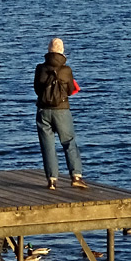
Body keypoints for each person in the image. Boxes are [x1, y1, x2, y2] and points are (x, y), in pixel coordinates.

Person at [33, 37, 87, 190]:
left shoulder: (40, 68)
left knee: (47, 146)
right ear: (62, 51)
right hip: (62, 110)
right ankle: (76, 176)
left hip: (43, 110)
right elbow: (70, 90)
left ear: (48, 50)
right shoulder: (66, 70)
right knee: (69, 142)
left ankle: (51, 180)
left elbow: (37, 89)